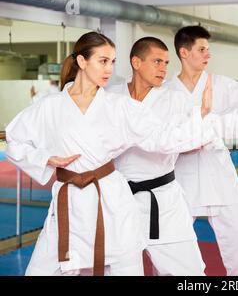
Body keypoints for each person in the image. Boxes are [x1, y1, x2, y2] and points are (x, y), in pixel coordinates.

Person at [6, 32, 216, 276]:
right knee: (40, 271)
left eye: (112, 62)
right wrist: (44, 158)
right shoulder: (50, 106)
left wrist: (202, 118)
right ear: (83, 62)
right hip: (69, 201)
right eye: (102, 61)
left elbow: (163, 138)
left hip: (110, 201)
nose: (109, 69)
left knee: (124, 267)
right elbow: (15, 138)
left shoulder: (119, 107)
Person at [166, 25, 238, 276]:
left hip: (218, 169)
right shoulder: (166, 91)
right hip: (181, 173)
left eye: (208, 49)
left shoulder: (222, 85)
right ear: (184, 52)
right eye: (201, 49)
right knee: (172, 243)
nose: (208, 54)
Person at [107, 37, 207, 275]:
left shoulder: (176, 100)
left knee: (189, 271)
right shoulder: (111, 97)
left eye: (166, 62)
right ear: (136, 62)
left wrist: (200, 125)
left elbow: (195, 138)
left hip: (163, 201)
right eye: (157, 61)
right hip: (119, 199)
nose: (164, 68)